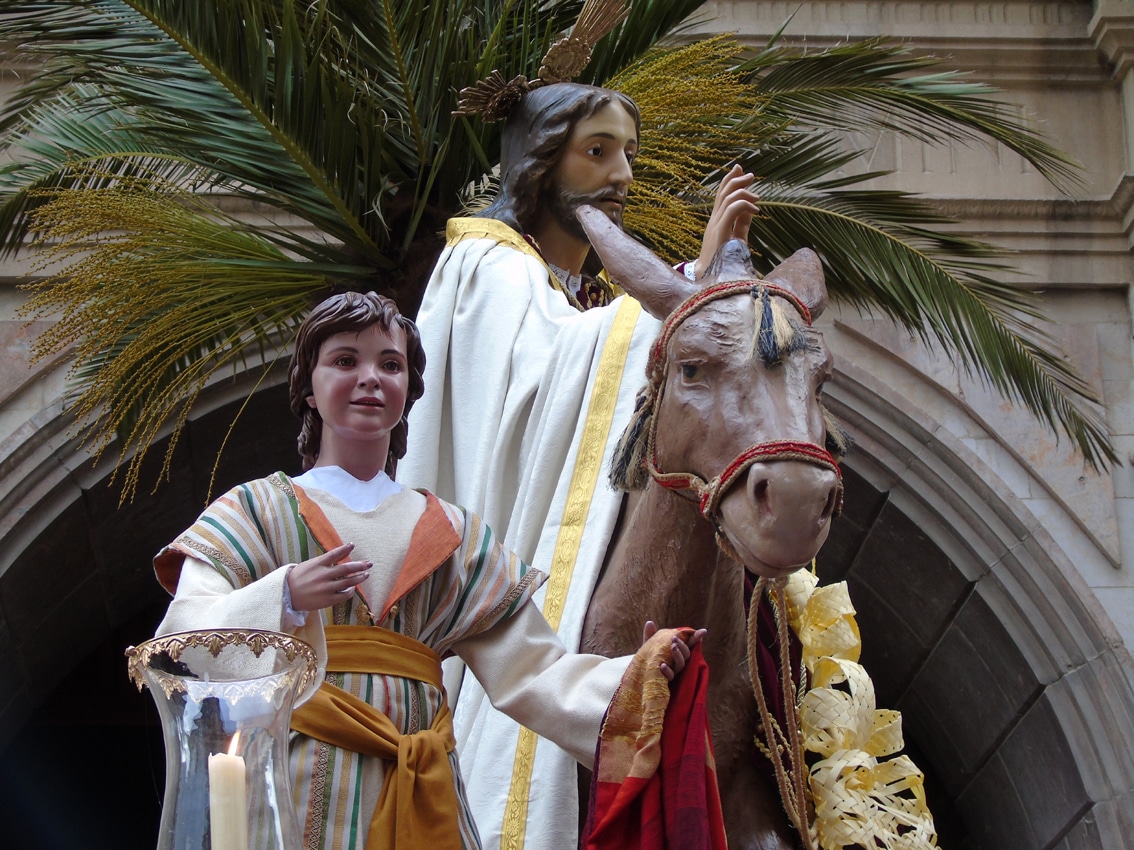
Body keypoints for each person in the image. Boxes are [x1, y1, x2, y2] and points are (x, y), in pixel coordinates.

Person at [152, 291, 704, 850]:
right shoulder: (256, 512)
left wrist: (637, 678)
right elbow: (181, 638)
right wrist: (284, 596)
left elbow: (534, 671)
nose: (370, 378)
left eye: (389, 365)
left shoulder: (453, 535)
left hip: (422, 791)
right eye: (345, 361)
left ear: (408, 390)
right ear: (308, 388)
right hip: (293, 788)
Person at [398, 81, 756, 850]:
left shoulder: (575, 294)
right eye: (597, 152)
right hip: (505, 559)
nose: (622, 173)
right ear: (539, 162)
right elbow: (547, 372)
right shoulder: (483, 263)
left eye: (628, 152)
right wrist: (692, 283)